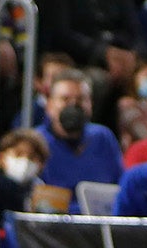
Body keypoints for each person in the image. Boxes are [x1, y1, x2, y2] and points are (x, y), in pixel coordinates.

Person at [34, 69, 123, 211]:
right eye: (65, 99)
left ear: (90, 105)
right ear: (50, 105)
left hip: (99, 224)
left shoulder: (103, 137)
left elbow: (119, 189)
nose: (74, 105)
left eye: (81, 99)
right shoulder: (37, 141)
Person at [0, 127, 50, 244]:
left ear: (41, 164)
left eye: (31, 157)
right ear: (2, 157)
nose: (24, 161)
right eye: (18, 154)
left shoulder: (41, 189)